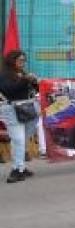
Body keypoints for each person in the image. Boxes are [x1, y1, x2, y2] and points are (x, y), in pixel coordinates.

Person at [0, 50, 40, 183]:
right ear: (12, 61)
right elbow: (9, 90)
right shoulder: (4, 75)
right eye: (20, 60)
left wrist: (34, 82)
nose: (23, 63)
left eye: (24, 60)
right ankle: (17, 170)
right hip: (12, 109)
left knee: (22, 139)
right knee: (18, 140)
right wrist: (25, 80)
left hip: (26, 108)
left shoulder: (22, 73)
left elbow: (31, 90)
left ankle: (20, 166)